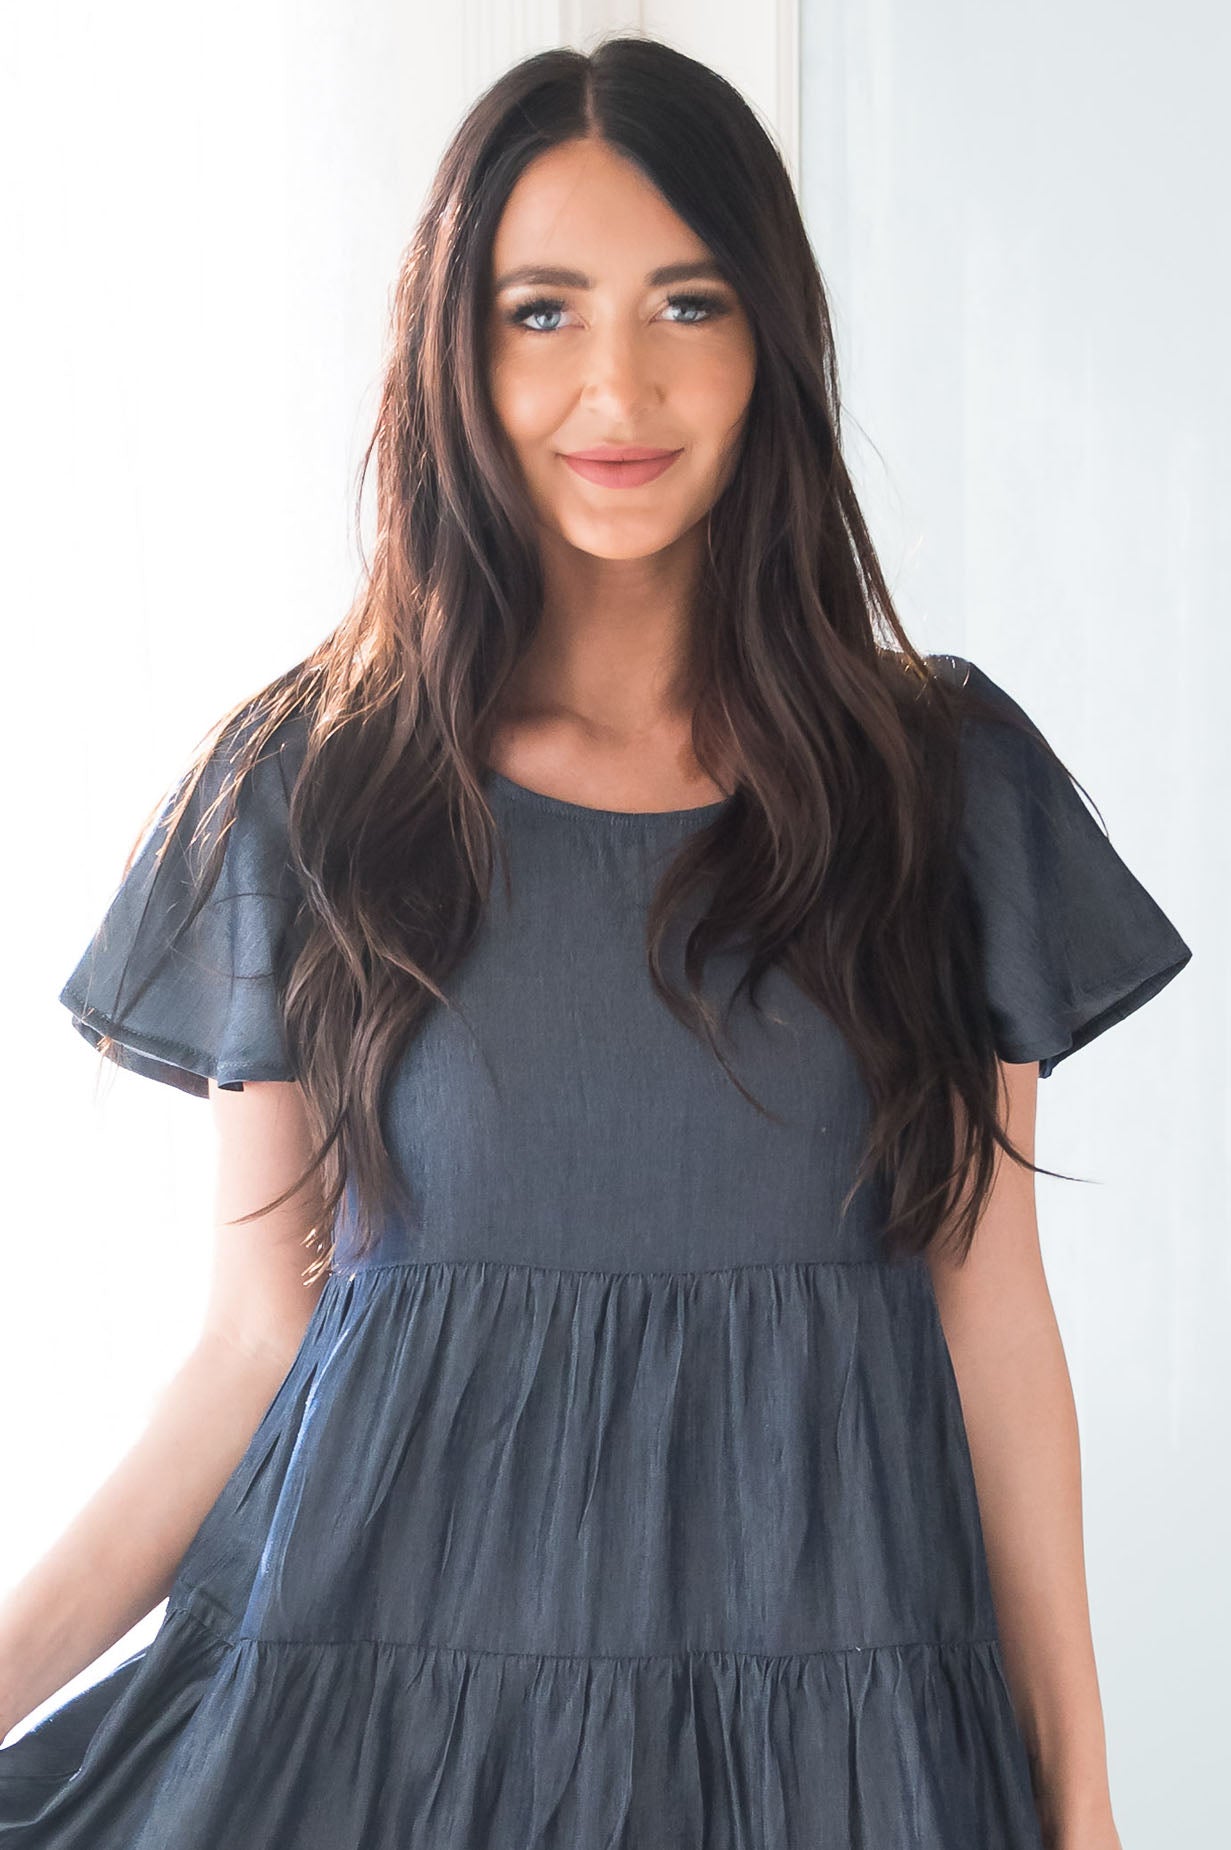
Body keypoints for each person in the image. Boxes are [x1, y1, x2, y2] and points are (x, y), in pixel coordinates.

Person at [0, 34, 1191, 1850]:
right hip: (382, 1741)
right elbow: (252, 1342)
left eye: (686, 304)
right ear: (455, 354)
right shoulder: (319, 792)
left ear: (771, 341)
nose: (615, 384)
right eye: (540, 312)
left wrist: (1085, 1801)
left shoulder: (938, 787)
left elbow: (993, 1320)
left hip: (835, 1739)